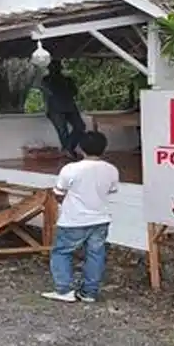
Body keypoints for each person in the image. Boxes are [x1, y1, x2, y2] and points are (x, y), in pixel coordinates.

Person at [41, 130, 120, 303]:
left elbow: (58, 192)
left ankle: (64, 289)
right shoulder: (112, 170)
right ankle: (89, 293)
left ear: (80, 148)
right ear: (104, 149)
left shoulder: (70, 169)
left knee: (62, 252)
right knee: (96, 255)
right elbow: (111, 191)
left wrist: (66, 203)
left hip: (73, 220)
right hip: (100, 219)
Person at [40, 60, 87, 158]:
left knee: (80, 126)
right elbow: (48, 92)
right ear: (49, 69)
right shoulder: (46, 80)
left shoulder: (67, 80)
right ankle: (69, 152)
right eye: (52, 68)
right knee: (63, 132)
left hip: (70, 106)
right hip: (55, 109)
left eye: (57, 68)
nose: (55, 70)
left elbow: (74, 92)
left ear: (60, 69)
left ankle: (67, 149)